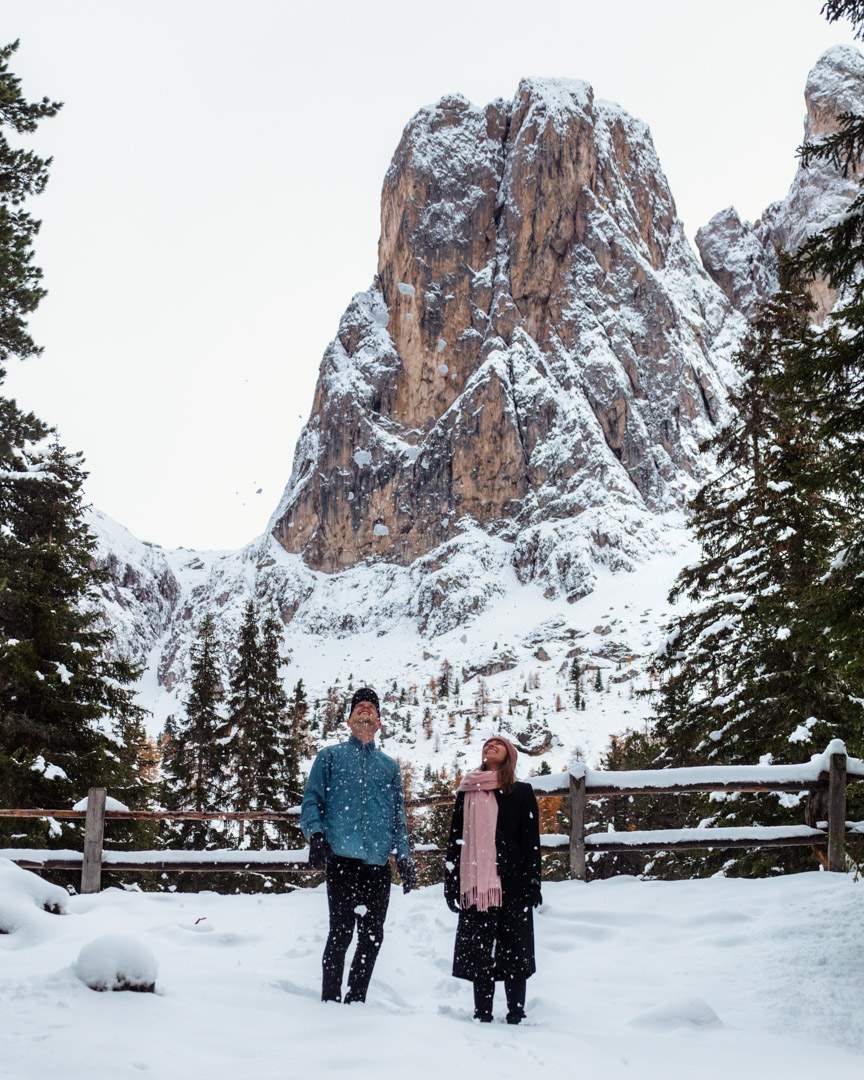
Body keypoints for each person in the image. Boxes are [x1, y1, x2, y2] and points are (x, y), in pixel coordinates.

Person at [300, 686, 416, 1004]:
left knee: (372, 936)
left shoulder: (389, 767)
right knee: (340, 933)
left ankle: (356, 1001)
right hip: (342, 861)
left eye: (371, 707)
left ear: (379, 722)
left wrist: (404, 857)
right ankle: (330, 1000)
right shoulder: (330, 758)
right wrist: (316, 835)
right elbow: (312, 800)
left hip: (377, 865)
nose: (365, 710)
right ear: (349, 721)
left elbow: (398, 816)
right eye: (359, 707)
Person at [444, 736, 541, 1024]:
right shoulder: (468, 791)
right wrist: (451, 880)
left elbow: (531, 841)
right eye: (487, 744)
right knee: (480, 950)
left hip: (513, 880)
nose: (491, 746)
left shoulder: (521, 792)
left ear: (510, 756)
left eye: (498, 745)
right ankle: (482, 1012)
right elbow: (456, 838)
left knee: (515, 949)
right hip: (476, 882)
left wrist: (533, 881)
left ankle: (516, 1012)